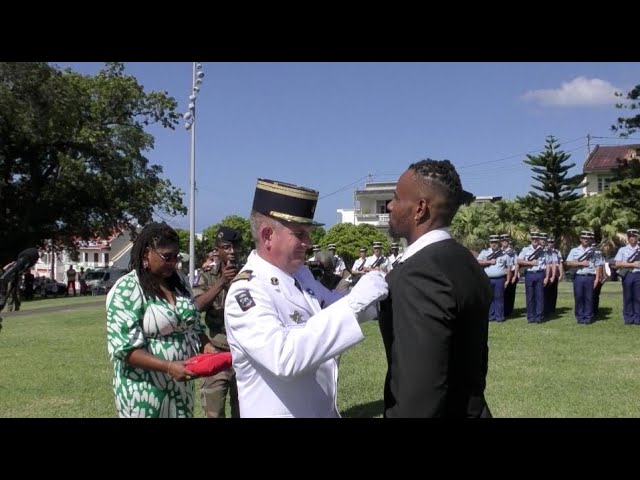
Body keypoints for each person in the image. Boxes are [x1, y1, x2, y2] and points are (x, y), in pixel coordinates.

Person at [224, 178, 388, 417]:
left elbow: (332, 307)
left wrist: (378, 299)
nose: (308, 243)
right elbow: (284, 358)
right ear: (268, 235)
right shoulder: (247, 291)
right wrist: (355, 302)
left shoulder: (300, 275)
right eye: (300, 234)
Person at [378, 159, 492, 418]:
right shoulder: (465, 261)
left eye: (396, 198)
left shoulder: (419, 274)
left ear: (420, 209)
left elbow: (419, 397)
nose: (390, 206)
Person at [106, 222, 215, 418]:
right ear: (146, 253)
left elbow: (194, 324)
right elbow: (124, 349)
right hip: (143, 390)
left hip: (181, 386)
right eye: (167, 257)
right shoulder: (127, 288)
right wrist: (168, 367)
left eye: (176, 257)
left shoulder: (180, 282)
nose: (173, 262)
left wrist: (205, 344)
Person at [192, 227, 242, 418]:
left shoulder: (250, 274)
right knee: (214, 412)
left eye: (236, 247)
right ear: (217, 250)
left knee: (245, 411)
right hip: (217, 353)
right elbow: (197, 306)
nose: (232, 251)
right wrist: (221, 282)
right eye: (226, 247)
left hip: (244, 354)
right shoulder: (206, 276)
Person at [566, 231, 603, 325]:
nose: (586, 240)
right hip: (578, 276)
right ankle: (579, 317)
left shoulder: (594, 251)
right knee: (578, 297)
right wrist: (581, 263)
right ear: (580, 239)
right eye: (584, 238)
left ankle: (587, 317)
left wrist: (597, 278)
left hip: (590, 277)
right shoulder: (574, 250)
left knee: (589, 298)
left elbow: (598, 265)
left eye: (587, 238)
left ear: (590, 240)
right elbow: (568, 263)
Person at [476, 234, 512, 322]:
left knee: (499, 298)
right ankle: (490, 316)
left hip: (500, 279)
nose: (494, 244)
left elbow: (509, 268)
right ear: (489, 243)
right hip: (487, 279)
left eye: (496, 242)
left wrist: (508, 280)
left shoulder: (504, 254)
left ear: (499, 243)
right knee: (489, 298)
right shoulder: (485, 253)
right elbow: (477, 262)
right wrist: (488, 261)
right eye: (492, 242)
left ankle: (499, 317)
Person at [614, 228, 640, 325]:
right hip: (627, 275)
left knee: (638, 297)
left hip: (638, 275)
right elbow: (617, 264)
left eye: (634, 236)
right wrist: (632, 265)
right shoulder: (622, 249)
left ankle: (638, 318)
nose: (632, 238)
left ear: (637, 237)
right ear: (628, 238)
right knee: (628, 297)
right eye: (630, 236)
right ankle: (628, 318)